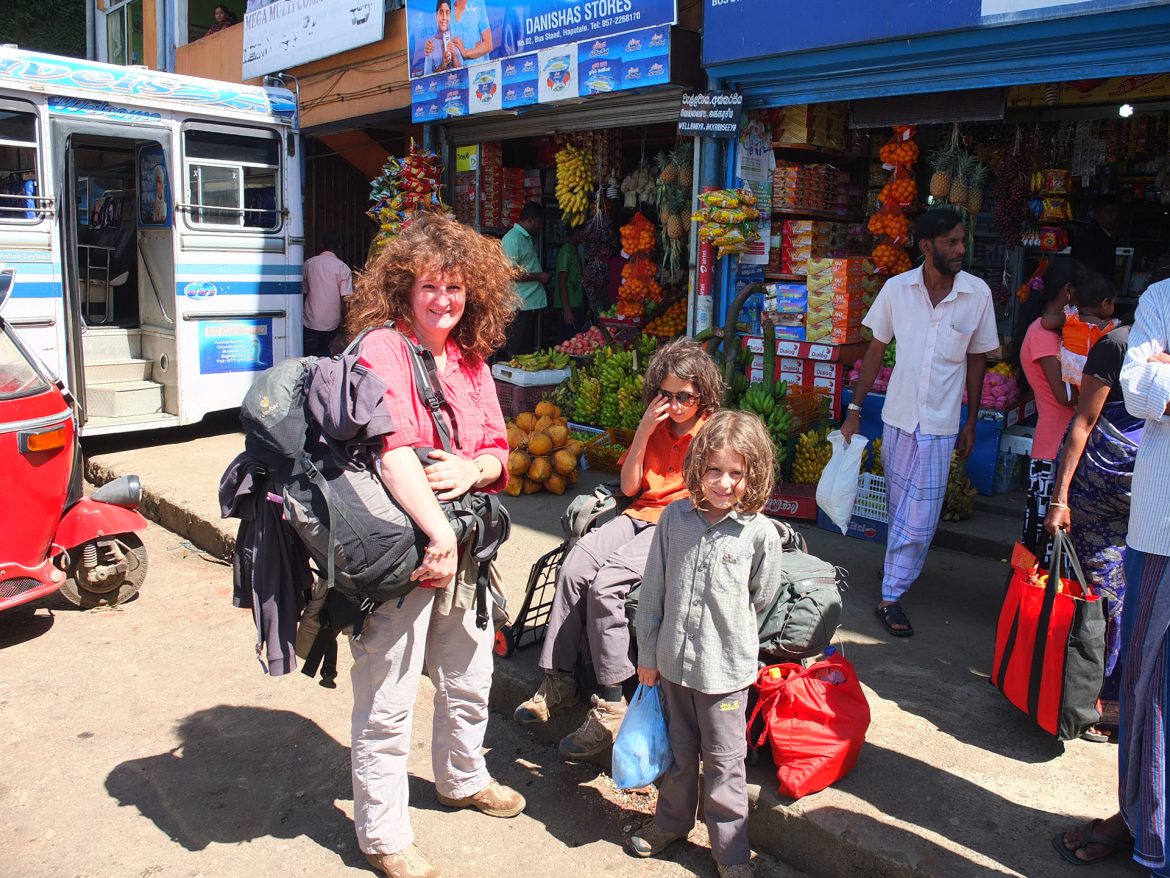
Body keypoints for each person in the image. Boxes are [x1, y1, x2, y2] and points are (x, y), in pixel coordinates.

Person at [344, 212, 523, 878]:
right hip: (404, 552)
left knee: (469, 674)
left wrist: (472, 470)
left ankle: (461, 776)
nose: (444, 301)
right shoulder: (381, 350)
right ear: (403, 289)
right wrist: (439, 532)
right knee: (388, 696)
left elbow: (500, 452)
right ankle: (383, 834)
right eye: (430, 287)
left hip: (466, 550)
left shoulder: (471, 360)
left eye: (455, 288)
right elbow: (391, 454)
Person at [513, 337, 723, 759]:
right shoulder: (657, 427)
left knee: (607, 583)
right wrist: (645, 430)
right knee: (574, 566)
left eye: (685, 397)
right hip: (638, 513)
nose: (676, 405)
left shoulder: (712, 434)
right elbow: (629, 487)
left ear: (703, 395)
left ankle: (610, 703)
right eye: (667, 395)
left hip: (677, 524)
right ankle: (560, 678)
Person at [627, 409, 783, 878]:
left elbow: (763, 599)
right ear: (697, 468)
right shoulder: (674, 519)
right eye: (714, 469)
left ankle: (730, 852)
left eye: (737, 473)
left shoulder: (759, 533)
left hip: (725, 678)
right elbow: (653, 591)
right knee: (677, 755)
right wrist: (650, 656)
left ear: (754, 474)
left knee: (724, 767)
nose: (723, 482)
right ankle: (671, 823)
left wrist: (731, 643)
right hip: (673, 667)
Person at [1053, 263, 1170, 869]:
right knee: (1134, 660)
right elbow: (1126, 400)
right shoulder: (1145, 318)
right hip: (1136, 517)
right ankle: (1141, 821)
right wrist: (1060, 497)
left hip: (1134, 508)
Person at [843, 208, 1000, 637]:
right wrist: (854, 411)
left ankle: (890, 597)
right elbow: (876, 351)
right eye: (951, 242)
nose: (961, 249)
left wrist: (972, 420)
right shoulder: (897, 290)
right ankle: (898, 565)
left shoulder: (977, 294)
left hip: (941, 425)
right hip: (897, 419)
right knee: (899, 507)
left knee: (921, 514)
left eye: (962, 240)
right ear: (927, 246)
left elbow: (977, 358)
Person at [1044, 271, 1141, 743]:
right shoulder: (1120, 346)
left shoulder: (1125, 346)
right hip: (1105, 498)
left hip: (1138, 499)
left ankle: (1108, 696)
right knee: (1106, 597)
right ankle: (1098, 697)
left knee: (1119, 599)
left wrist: (1062, 498)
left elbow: (1084, 421)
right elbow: (1083, 420)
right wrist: (1061, 500)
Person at [1013, 257, 1081, 563]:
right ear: (1068, 291)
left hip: (1058, 448)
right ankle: (1040, 609)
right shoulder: (1042, 334)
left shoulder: (1053, 331)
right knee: (1047, 546)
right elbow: (1064, 395)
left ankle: (1043, 608)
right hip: (1052, 451)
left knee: (1048, 544)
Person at [1042, 275, 1120, 390]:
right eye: (1112, 303)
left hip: (1071, 372)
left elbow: (1045, 323)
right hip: (1094, 375)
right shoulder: (1109, 327)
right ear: (1105, 304)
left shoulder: (1069, 317)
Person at [500, 202, 549, 357]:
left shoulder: (525, 238)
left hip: (528, 304)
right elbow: (509, 272)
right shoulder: (513, 239)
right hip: (519, 306)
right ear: (531, 220)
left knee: (525, 349)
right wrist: (538, 276)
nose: (540, 227)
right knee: (518, 350)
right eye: (539, 223)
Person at [302, 231, 353, 358]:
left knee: (310, 358)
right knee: (327, 357)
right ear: (339, 246)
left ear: (321, 245)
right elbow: (346, 299)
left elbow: (303, 292)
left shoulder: (308, 264)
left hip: (310, 322)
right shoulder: (343, 268)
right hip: (332, 324)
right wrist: (348, 323)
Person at [1071, 193, 1123, 281]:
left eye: (1117, 212)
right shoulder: (1092, 239)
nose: (1114, 217)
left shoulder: (1101, 236)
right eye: (1109, 212)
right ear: (1096, 214)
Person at [555, 224, 586, 340]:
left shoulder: (575, 250)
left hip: (576, 304)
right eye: (582, 232)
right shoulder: (566, 251)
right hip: (569, 306)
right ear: (577, 233)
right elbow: (561, 280)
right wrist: (566, 309)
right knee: (568, 341)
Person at [422, 0, 462, 75]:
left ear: (450, 16)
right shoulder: (430, 45)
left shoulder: (455, 41)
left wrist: (454, 56)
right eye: (441, 12)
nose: (444, 17)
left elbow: (463, 71)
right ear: (436, 16)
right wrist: (442, 66)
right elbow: (426, 77)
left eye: (447, 13)